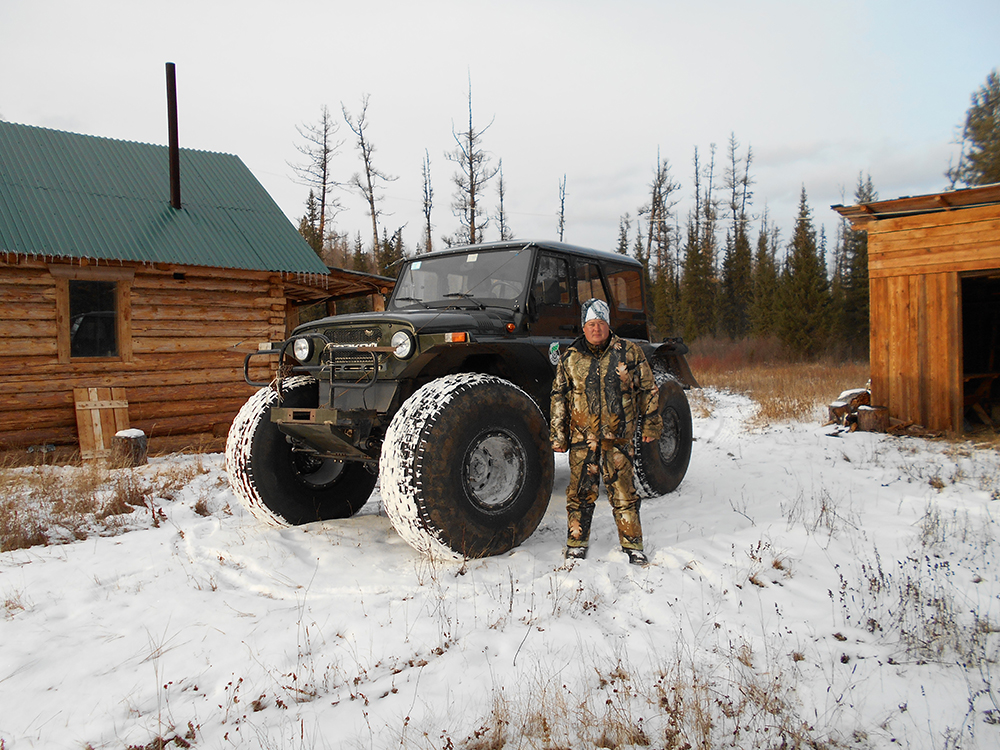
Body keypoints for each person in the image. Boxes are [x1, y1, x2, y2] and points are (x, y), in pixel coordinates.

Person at [550, 298, 662, 565]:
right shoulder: (570, 356)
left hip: (619, 438)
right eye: (591, 324)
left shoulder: (629, 352)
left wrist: (650, 424)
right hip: (581, 440)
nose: (596, 329)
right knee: (579, 493)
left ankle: (632, 544)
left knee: (624, 491)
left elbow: (648, 389)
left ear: (608, 325)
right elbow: (558, 396)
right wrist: (558, 435)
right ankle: (576, 543)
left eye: (600, 323)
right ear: (583, 327)